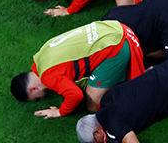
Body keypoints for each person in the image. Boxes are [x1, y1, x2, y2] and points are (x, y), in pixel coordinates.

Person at [10, 20, 144, 118]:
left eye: (37, 98)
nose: (42, 99)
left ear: (33, 89)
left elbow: (75, 95)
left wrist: (60, 111)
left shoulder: (49, 77)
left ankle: (134, 90)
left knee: (92, 104)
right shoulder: (40, 56)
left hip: (116, 47)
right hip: (112, 27)